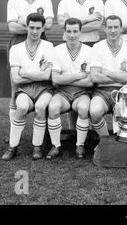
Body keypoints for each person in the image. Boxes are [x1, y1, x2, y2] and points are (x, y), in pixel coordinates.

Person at [6, 0, 54, 132]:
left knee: (43, 82)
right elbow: (12, 28)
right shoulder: (13, 1)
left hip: (41, 42)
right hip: (18, 42)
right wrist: (34, 27)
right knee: (15, 88)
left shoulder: (45, 0)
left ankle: (44, 128)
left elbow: (48, 25)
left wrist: (24, 23)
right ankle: (13, 129)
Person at [2, 13, 54, 161]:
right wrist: (36, 73)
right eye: (32, 27)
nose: (35, 31)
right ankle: (12, 147)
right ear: (26, 27)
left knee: (40, 106)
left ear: (43, 28)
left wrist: (25, 73)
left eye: (38, 28)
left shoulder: (48, 46)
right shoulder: (16, 49)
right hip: (24, 89)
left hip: (45, 89)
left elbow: (47, 76)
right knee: (22, 107)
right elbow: (16, 78)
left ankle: (37, 147)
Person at [45, 18, 93, 160]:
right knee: (53, 107)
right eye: (69, 31)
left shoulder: (89, 51)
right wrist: (78, 76)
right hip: (63, 92)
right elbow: (56, 79)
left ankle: (80, 145)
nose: (72, 35)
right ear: (64, 33)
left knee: (84, 108)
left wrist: (67, 77)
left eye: (75, 31)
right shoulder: (57, 50)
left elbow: (90, 82)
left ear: (80, 32)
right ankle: (56, 145)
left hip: (82, 92)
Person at [89, 15, 127, 137]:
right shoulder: (97, 47)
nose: (113, 30)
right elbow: (95, 77)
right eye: (109, 27)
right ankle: (105, 141)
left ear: (121, 29)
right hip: (101, 91)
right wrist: (120, 76)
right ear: (105, 29)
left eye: (116, 27)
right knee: (94, 111)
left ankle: (121, 141)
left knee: (121, 110)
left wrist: (107, 72)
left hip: (123, 91)